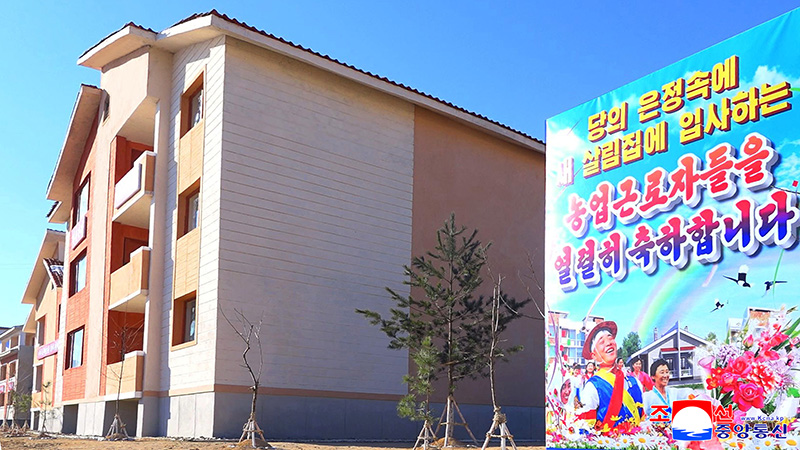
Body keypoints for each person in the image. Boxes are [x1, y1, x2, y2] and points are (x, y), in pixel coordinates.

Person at [575, 321, 644, 432]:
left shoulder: (635, 382)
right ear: (594, 355)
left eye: (610, 338)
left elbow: (644, 418)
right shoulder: (593, 386)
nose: (608, 343)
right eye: (601, 342)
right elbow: (585, 428)